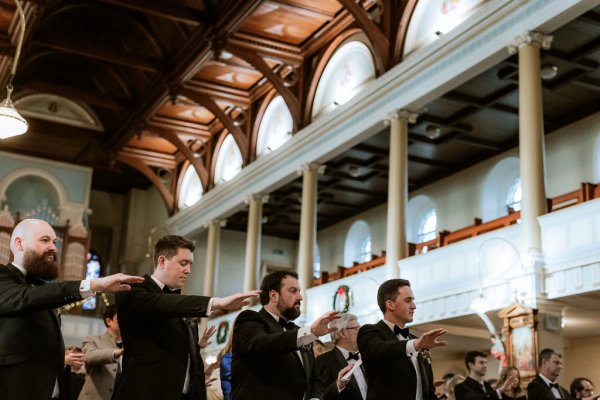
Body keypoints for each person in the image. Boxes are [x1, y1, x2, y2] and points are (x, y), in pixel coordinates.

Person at [0, 218, 143, 400]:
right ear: (19, 243)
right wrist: (95, 284)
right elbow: (25, 298)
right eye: (45, 240)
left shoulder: (39, 288)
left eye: (54, 242)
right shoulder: (4, 278)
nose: (53, 247)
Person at [114, 234, 260, 400]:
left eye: (190, 264)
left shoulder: (180, 307)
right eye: (183, 263)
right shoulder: (133, 291)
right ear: (162, 261)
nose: (188, 270)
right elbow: (162, 304)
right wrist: (217, 303)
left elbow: (194, 362)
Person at [232, 270, 340, 400]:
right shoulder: (250, 319)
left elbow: (313, 378)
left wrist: (315, 398)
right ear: (273, 296)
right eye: (293, 291)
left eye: (299, 292)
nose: (300, 297)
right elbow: (263, 345)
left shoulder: (298, 331)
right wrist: (310, 332)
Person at [357, 278, 447, 400]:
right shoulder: (370, 332)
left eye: (413, 300)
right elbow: (378, 350)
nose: (414, 306)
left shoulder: (417, 341)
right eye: (408, 301)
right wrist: (414, 345)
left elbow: (428, 391)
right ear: (390, 304)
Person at [316, 313, 367, 400]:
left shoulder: (365, 358)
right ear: (342, 333)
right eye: (356, 328)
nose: (361, 332)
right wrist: (338, 385)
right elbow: (319, 395)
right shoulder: (324, 361)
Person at [78, 305, 123, 400]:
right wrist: (114, 353)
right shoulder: (92, 340)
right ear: (109, 321)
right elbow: (89, 356)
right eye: (121, 318)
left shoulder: (131, 345)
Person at [528, 349, 600, 400]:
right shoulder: (534, 386)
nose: (560, 367)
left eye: (561, 363)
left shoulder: (563, 391)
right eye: (556, 363)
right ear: (544, 362)